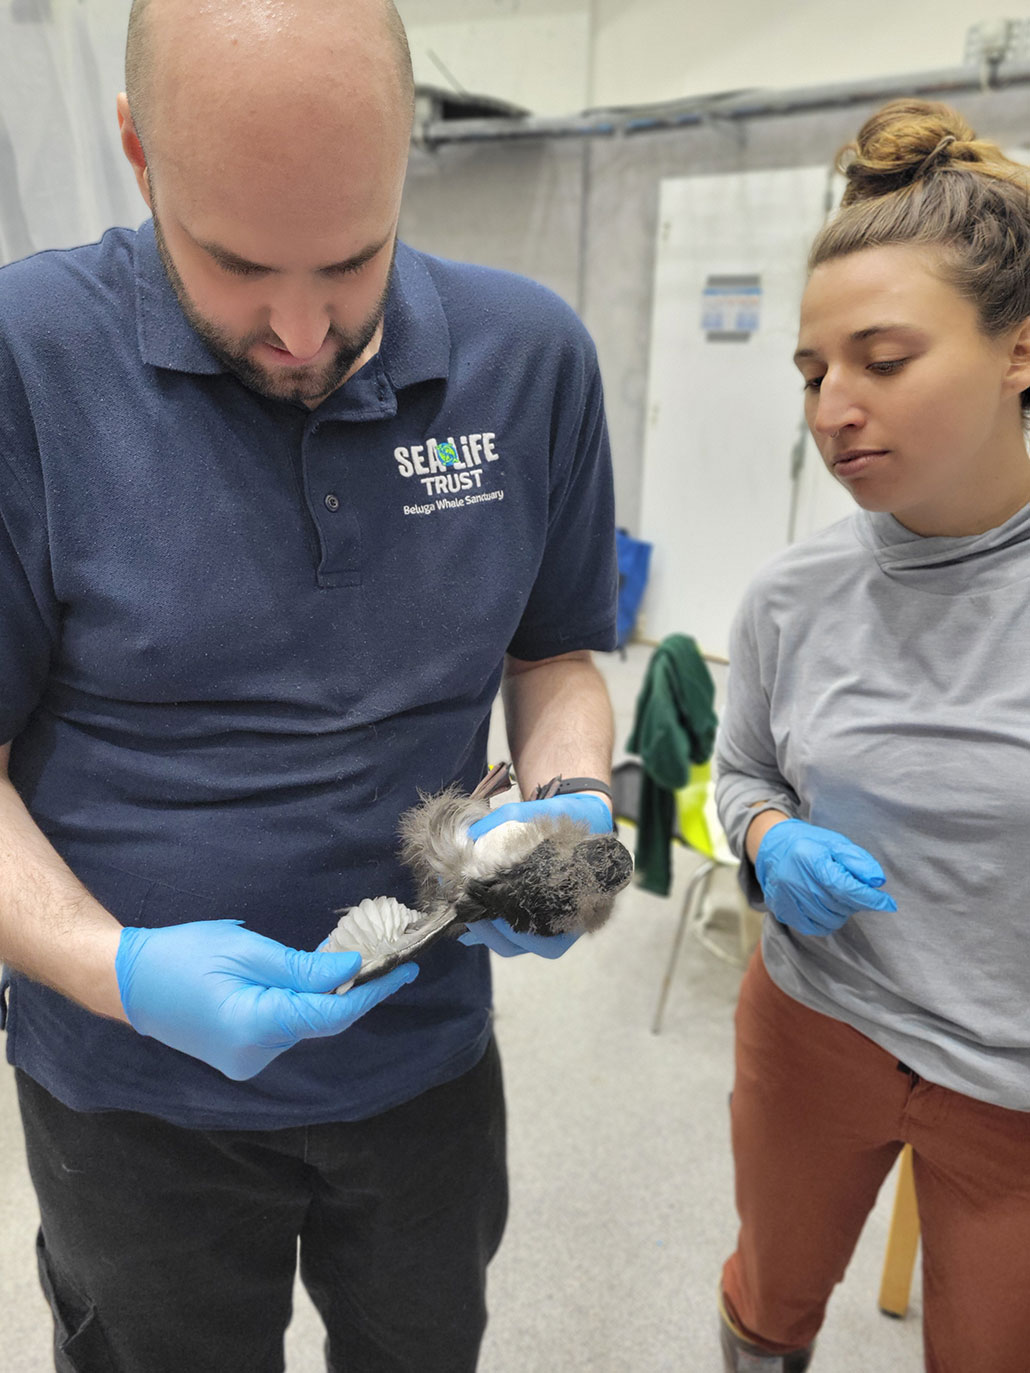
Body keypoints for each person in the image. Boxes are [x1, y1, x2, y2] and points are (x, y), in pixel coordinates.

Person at [0, 1, 620, 1369]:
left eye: (352, 260)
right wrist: (118, 969)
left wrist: (566, 808)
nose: (298, 331)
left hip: (425, 1068)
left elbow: (552, 652)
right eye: (234, 267)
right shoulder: (27, 360)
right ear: (137, 152)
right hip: (125, 1093)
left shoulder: (528, 360)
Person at [714, 98, 1030, 1373]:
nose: (833, 407)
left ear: (1018, 350)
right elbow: (741, 773)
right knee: (766, 1298)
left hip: (1012, 1083)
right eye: (809, 372)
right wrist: (768, 835)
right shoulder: (791, 596)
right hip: (815, 1019)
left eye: (882, 361)